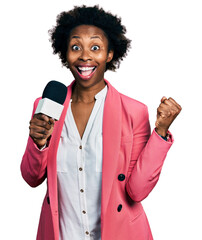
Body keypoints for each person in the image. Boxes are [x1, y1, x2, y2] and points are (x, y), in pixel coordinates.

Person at [21, 5, 181, 240]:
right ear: (65, 53)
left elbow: (136, 191)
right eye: (76, 47)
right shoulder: (46, 106)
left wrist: (161, 131)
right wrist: (39, 143)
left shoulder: (134, 112)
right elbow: (31, 177)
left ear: (109, 54)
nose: (85, 56)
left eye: (95, 47)